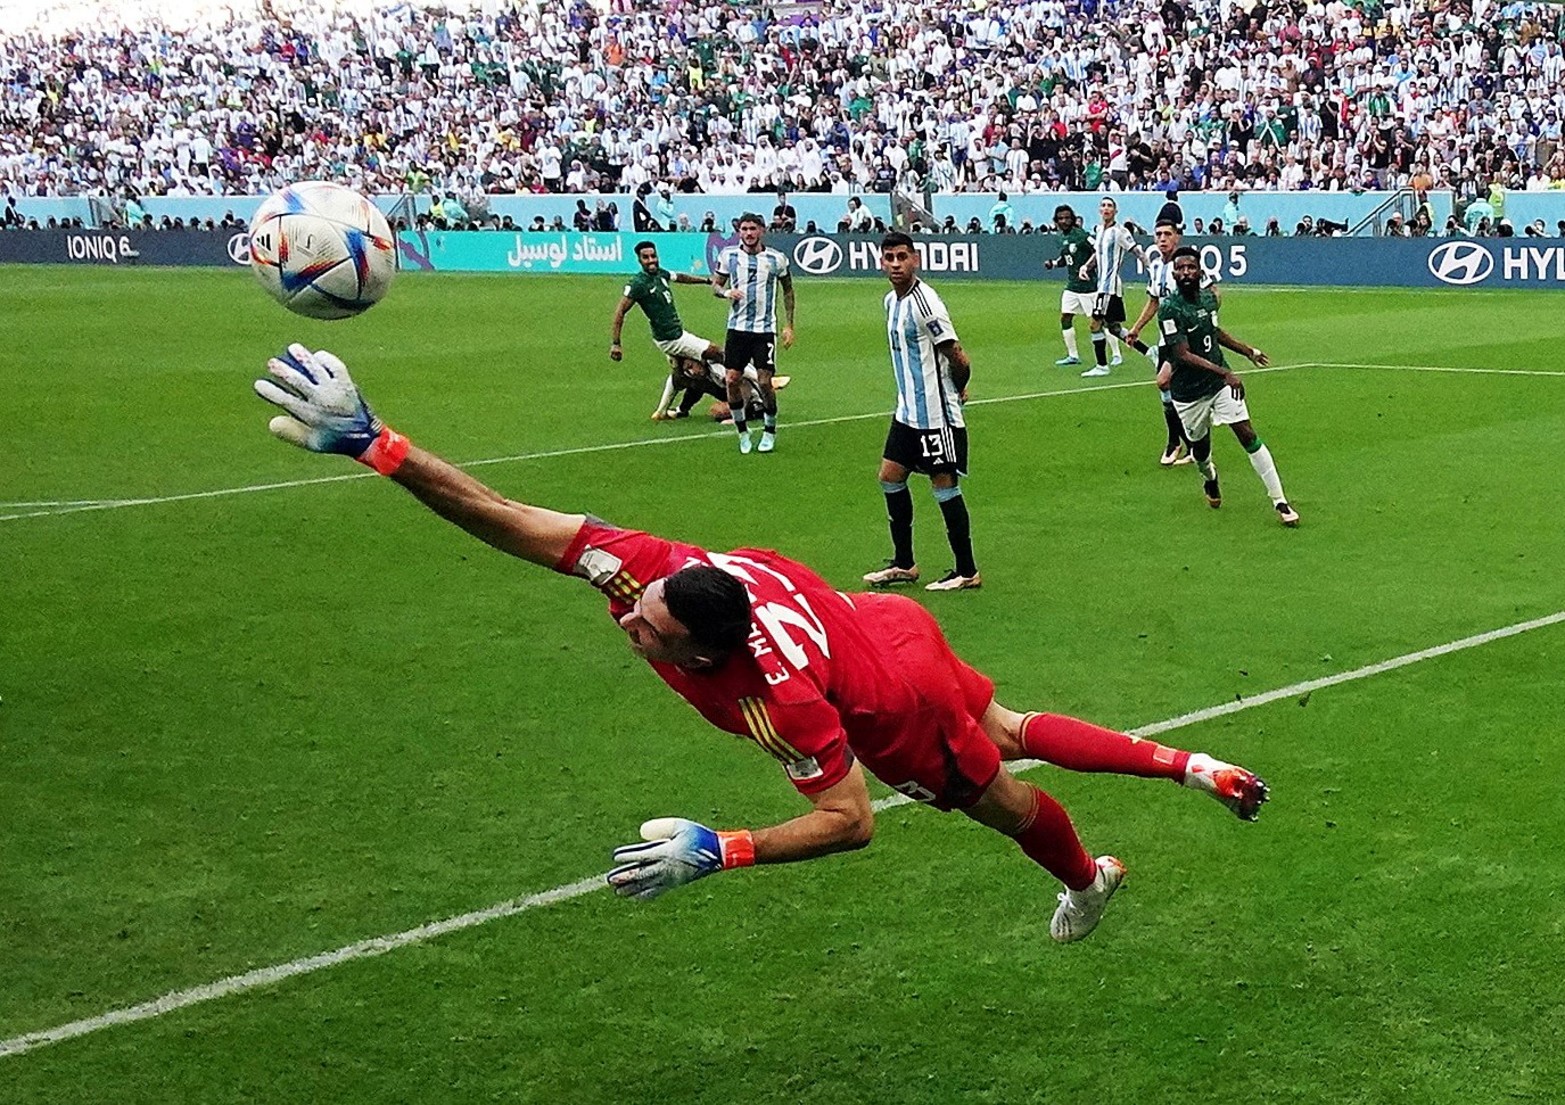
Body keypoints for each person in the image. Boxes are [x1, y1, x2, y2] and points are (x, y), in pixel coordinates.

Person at [251, 346, 1270, 941]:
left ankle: (1087, 877)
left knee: (998, 789)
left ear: (702, 650)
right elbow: (505, 514)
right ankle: (1187, 766)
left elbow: (848, 817)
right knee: (1005, 722)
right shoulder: (648, 568)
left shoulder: (777, 700)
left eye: (650, 624)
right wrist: (377, 446)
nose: (631, 617)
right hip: (877, 620)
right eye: (638, 605)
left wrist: (722, 850)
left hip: (884, 690)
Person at [862, 232, 981, 592]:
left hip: (935, 414)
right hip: (907, 411)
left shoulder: (925, 303)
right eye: (889, 258)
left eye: (902, 257)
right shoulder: (890, 301)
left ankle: (966, 571)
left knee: (944, 487)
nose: (895, 264)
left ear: (915, 259)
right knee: (889, 477)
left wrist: (957, 389)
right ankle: (904, 563)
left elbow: (957, 354)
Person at [1156, 246, 1300, 526]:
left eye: (1191, 267)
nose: (1186, 272)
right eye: (1181, 268)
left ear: (1200, 271)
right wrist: (1225, 372)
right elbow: (1182, 354)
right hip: (1188, 394)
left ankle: (1280, 502)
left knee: (1247, 433)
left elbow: (1215, 332)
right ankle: (1209, 477)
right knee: (1200, 451)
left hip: (1219, 384)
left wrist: (1248, 351)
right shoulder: (1169, 309)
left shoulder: (1209, 300)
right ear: (1173, 273)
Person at [1124, 220, 1220, 467]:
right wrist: (1136, 328)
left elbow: (1214, 294)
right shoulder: (1156, 267)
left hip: (1188, 340)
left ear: (1177, 237)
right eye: (1158, 235)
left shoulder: (1187, 266)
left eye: (1167, 234)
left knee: (1165, 382)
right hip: (1166, 340)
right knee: (1167, 389)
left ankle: (1179, 441)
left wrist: (1199, 319)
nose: (1162, 239)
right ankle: (1187, 441)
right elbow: (1154, 301)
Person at [609, 241, 725, 420]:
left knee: (682, 375)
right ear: (639, 260)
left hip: (671, 335)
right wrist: (616, 344)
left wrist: (706, 280)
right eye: (646, 258)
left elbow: (680, 277)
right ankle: (756, 378)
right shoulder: (638, 283)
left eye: (653, 256)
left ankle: (663, 411)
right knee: (716, 353)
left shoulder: (661, 274)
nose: (651, 260)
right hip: (672, 338)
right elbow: (620, 312)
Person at [712, 213, 796, 454]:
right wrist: (726, 293)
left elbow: (788, 290)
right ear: (740, 231)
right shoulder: (729, 256)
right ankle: (742, 431)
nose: (748, 233)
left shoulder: (776, 259)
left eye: (753, 229)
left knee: (764, 382)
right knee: (731, 380)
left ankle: (770, 431)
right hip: (737, 329)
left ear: (762, 230)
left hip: (764, 329)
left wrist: (789, 325)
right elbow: (716, 285)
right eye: (744, 229)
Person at [1079, 197, 1152, 378]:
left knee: (1095, 324)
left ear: (1115, 211)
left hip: (1109, 287)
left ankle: (1102, 365)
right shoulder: (1099, 230)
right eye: (1103, 205)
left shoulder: (1120, 232)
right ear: (1099, 210)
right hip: (1103, 286)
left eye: (1110, 206)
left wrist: (1152, 269)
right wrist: (1086, 267)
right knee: (1114, 329)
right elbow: (1098, 253)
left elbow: (1136, 251)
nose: (1106, 209)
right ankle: (1151, 353)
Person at [1041, 204, 1094, 367]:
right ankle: (1073, 355)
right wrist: (1054, 264)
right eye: (1060, 218)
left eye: (1067, 218)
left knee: (1099, 322)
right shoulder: (1060, 237)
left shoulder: (1082, 235)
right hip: (1072, 286)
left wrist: (1088, 267)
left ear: (1072, 219)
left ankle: (1116, 355)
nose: (1064, 221)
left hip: (1088, 287)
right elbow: (1066, 258)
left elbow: (1098, 250)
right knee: (1065, 317)